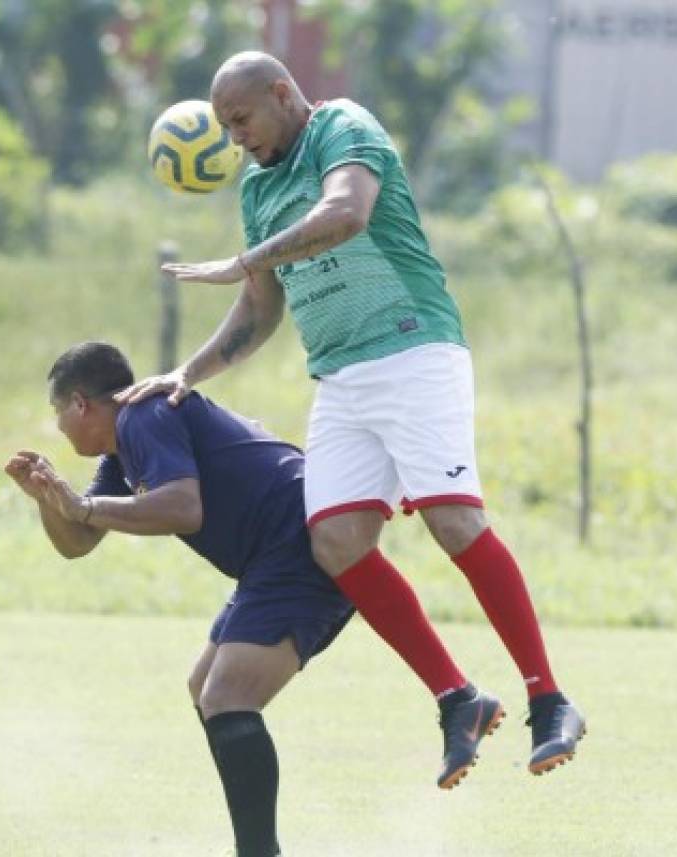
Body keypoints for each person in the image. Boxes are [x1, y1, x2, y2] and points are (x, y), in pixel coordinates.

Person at [118, 51, 584, 781]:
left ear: (283, 93)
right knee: (335, 542)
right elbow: (261, 305)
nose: (236, 138)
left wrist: (243, 261)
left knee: (453, 522)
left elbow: (345, 213)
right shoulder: (258, 188)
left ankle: (549, 698)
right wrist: (186, 372)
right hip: (340, 377)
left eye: (241, 120)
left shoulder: (342, 125)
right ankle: (457, 697)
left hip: (414, 348)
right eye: (225, 128)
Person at [6, 341, 354, 857]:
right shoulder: (122, 453)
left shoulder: (144, 415)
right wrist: (50, 502)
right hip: (274, 555)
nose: (58, 426)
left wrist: (82, 506)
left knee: (227, 696)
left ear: (81, 403)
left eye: (58, 412)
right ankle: (256, 847)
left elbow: (182, 508)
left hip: (300, 545)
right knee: (205, 687)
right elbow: (78, 544)